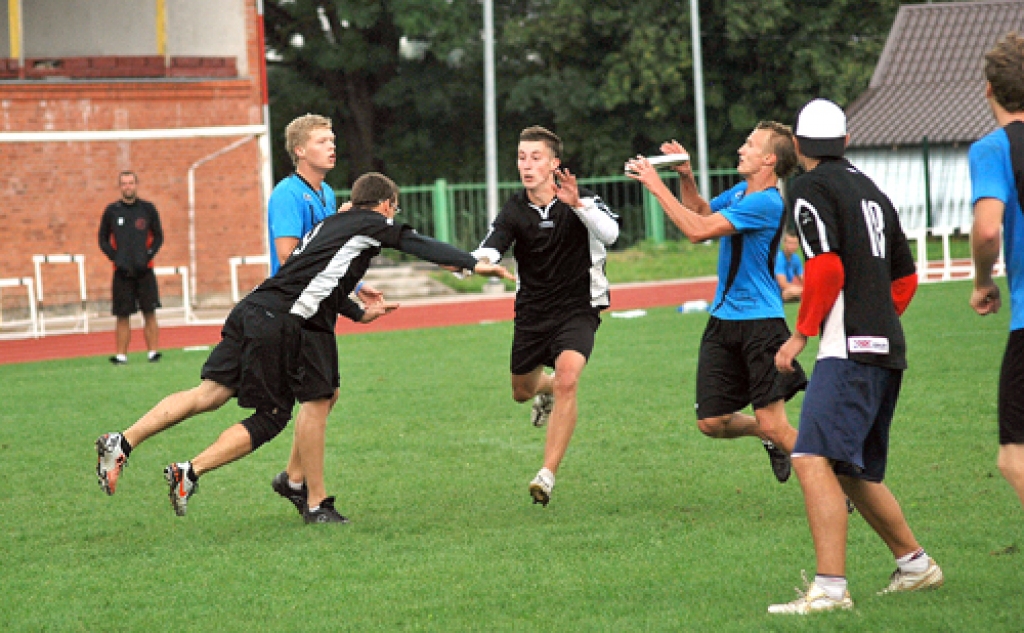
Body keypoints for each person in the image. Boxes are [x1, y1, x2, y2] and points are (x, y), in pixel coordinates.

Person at [96, 172, 514, 524]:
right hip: (279, 321)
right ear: (385, 205)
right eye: (394, 210)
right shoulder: (370, 222)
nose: (394, 218)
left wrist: (355, 311)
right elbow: (416, 244)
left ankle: (123, 441)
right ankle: (194, 473)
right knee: (274, 416)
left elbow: (317, 280)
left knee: (208, 394)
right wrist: (472, 262)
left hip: (252, 307)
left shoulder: (331, 224)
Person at [769, 98, 943, 615]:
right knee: (851, 469)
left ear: (798, 146)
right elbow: (906, 277)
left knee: (809, 456)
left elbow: (824, 270)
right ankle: (915, 566)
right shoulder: (872, 190)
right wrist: (879, 320)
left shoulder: (807, 187)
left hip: (847, 348)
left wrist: (801, 335)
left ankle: (830, 589)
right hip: (884, 347)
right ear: (845, 142)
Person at [625, 122, 806, 485]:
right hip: (723, 319)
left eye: (750, 145)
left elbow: (697, 231)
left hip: (761, 323)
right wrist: (685, 177)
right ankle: (767, 439)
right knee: (712, 422)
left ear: (768, 159)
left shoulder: (767, 203)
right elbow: (703, 212)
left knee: (776, 423)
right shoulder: (742, 193)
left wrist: (654, 183)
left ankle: (839, 479)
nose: (741, 149)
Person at [472, 125, 619, 506]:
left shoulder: (581, 198)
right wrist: (473, 264)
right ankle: (545, 390)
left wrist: (579, 205)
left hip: (578, 309)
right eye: (522, 157)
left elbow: (611, 234)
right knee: (521, 391)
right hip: (533, 314)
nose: (527, 165)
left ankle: (547, 474)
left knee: (569, 379)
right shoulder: (515, 209)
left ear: (554, 163)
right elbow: (491, 246)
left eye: (536, 157)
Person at [265, 113, 383, 519]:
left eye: (332, 139)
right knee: (316, 398)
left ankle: (293, 479)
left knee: (327, 394)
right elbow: (287, 255)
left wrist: (352, 286)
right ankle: (315, 501)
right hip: (295, 311)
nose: (331, 145)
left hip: (318, 309)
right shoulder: (287, 194)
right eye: (321, 140)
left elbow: (329, 253)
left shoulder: (327, 193)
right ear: (300, 150)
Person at [969, 31, 1024, 512]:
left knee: (1014, 458)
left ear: (988, 89)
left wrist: (984, 280)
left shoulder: (993, 148)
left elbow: (988, 230)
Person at [98, 171, 164, 365]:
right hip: (121, 272)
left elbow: (159, 236)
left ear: (136, 184)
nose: (128, 186)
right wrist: (115, 257)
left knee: (149, 311)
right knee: (122, 314)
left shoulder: (147, 209)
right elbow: (102, 239)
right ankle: (121, 355)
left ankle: (153, 352)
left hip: (145, 271)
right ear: (120, 187)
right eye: (124, 183)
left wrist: (148, 255)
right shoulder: (112, 211)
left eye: (131, 183)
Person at [776, 231, 804, 302]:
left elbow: (804, 279)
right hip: (775, 291)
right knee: (793, 292)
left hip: (787, 290)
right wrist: (802, 289)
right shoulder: (779, 258)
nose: (793, 246)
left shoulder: (796, 258)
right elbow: (783, 284)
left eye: (795, 244)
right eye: (790, 243)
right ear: (784, 243)